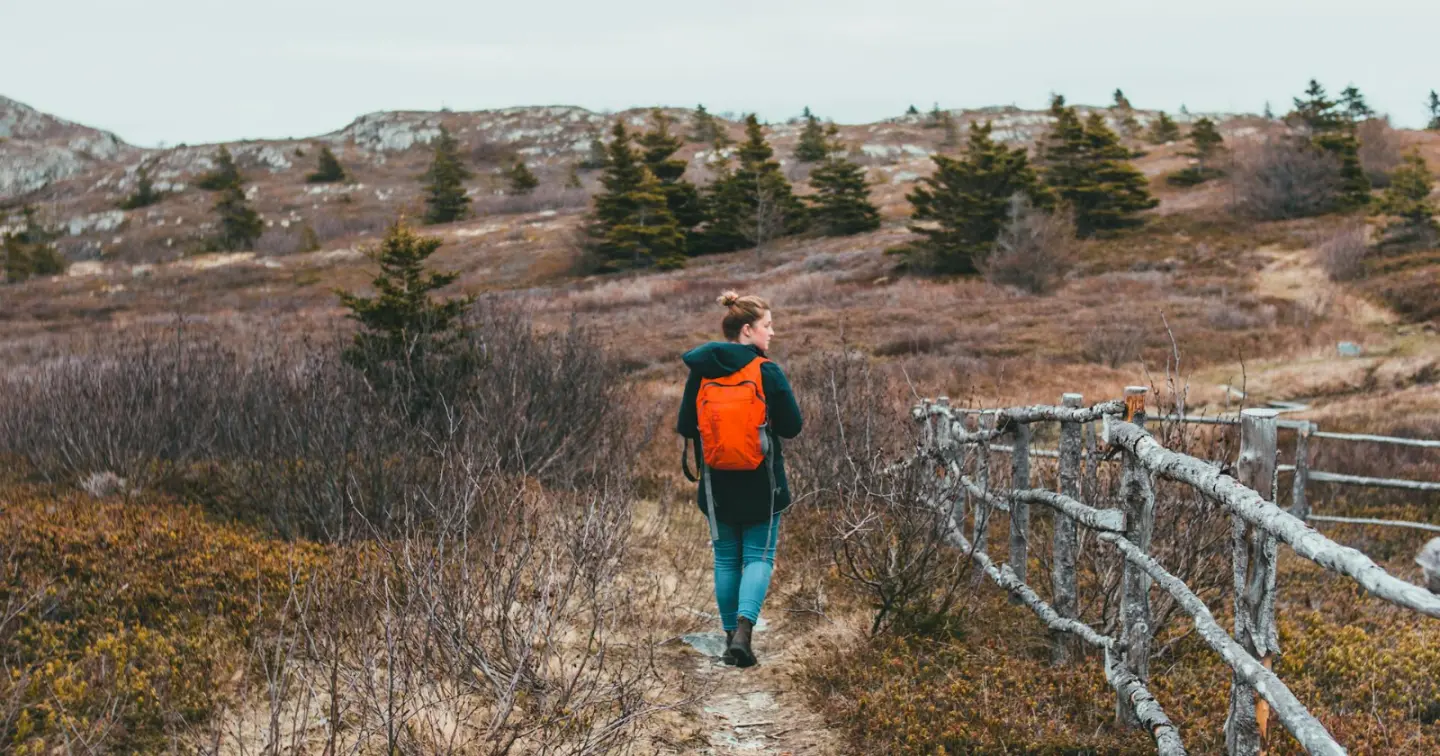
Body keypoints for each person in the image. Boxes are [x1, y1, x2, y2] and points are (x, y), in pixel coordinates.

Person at [676, 291, 803, 668]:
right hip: (762, 483)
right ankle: (746, 634)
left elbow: (686, 425)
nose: (772, 333)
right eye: (767, 326)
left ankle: (730, 635)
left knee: (727, 560)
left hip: (717, 486)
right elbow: (793, 427)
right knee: (759, 557)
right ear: (747, 330)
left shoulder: (702, 370)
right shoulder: (766, 371)